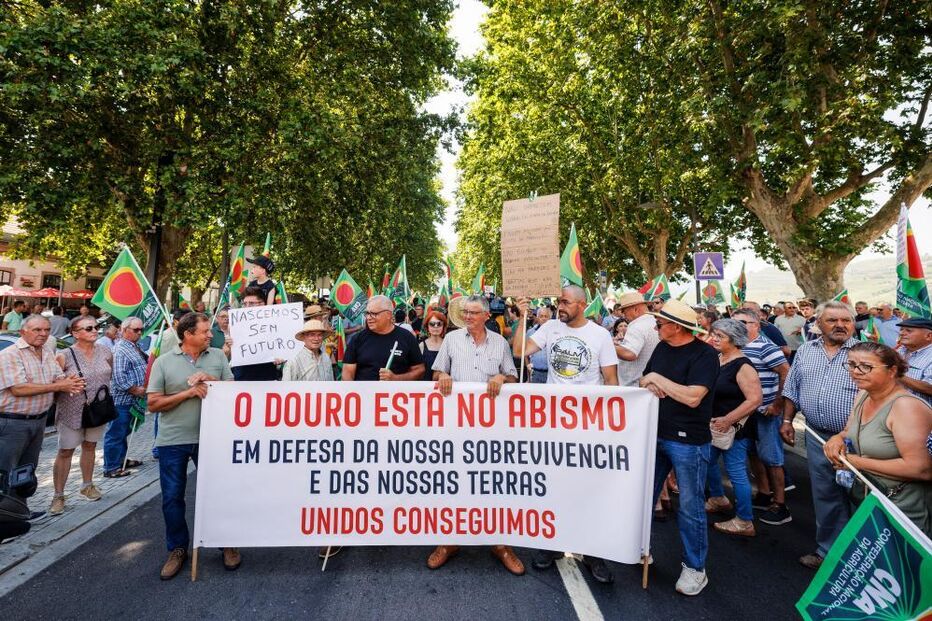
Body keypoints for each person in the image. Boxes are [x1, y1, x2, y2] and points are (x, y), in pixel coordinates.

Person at [513, 285, 619, 584]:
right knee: (555, 483)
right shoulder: (549, 328)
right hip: (554, 422)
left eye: (565, 301)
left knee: (588, 488)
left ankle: (592, 553)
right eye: (559, 301)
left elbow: (611, 379)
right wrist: (522, 318)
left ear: (582, 305)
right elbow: (520, 350)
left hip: (589, 424)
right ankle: (553, 544)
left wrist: (611, 425)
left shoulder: (600, 336)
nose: (560, 305)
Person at [427, 295, 521, 575]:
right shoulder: (452, 340)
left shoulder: (501, 342)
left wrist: (502, 378)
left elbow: (514, 376)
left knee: (492, 482)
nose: (467, 317)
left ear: (486, 317)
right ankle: (449, 541)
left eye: (473, 313)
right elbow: (436, 372)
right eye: (465, 312)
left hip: (492, 428)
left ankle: (500, 544)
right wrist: (442, 376)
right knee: (454, 481)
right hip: (456, 427)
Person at [147, 312, 237, 580]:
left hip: (212, 438)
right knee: (173, 497)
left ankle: (227, 544)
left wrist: (212, 380)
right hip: (173, 441)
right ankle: (177, 548)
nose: (211, 335)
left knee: (219, 493)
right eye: (205, 331)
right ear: (188, 335)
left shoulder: (219, 357)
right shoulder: (164, 362)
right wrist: (188, 393)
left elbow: (234, 393)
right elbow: (152, 404)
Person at [639, 299, 719, 596]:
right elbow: (644, 381)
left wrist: (659, 381)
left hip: (688, 440)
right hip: (655, 433)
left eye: (659, 323)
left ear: (676, 327)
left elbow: (693, 397)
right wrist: (654, 383)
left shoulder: (705, 355)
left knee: (690, 506)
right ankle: (640, 547)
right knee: (643, 497)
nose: (655, 326)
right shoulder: (661, 348)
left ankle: (695, 568)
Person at [823, 342, 932, 536]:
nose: (856, 372)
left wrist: (855, 462)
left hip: (904, 510)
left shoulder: (906, 407)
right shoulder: (864, 394)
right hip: (872, 500)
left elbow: (921, 469)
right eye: (851, 364)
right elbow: (849, 429)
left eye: (866, 366)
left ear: (892, 371)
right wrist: (837, 438)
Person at [781, 301, 860, 569]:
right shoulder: (805, 351)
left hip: (857, 441)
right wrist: (787, 419)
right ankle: (829, 553)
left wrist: (849, 432)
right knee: (825, 495)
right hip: (817, 436)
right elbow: (792, 387)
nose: (840, 325)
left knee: (860, 497)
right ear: (818, 324)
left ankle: (863, 559)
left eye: (846, 321)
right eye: (832, 320)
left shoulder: (866, 353)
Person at [0, 315, 84, 519]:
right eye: (37, 330)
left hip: (37, 421)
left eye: (46, 330)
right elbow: (19, 388)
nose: (43, 334)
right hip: (12, 422)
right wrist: (59, 386)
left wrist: (70, 381)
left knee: (25, 472)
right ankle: (3, 521)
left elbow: (58, 377)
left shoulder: (46, 352)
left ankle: (19, 513)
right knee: (4, 472)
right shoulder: (10, 354)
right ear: (23, 332)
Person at [728, 308, 792, 525]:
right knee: (753, 455)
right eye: (735, 322)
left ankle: (780, 504)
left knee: (772, 458)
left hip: (766, 411)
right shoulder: (736, 347)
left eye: (744, 322)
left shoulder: (766, 347)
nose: (739, 326)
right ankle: (764, 494)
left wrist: (777, 403)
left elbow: (786, 373)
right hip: (746, 412)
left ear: (757, 325)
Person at [48, 315, 114, 515]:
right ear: (75, 333)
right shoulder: (64, 355)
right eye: (88, 328)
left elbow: (109, 374)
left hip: (98, 409)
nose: (95, 330)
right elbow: (53, 384)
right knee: (66, 451)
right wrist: (66, 383)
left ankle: (87, 485)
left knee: (90, 446)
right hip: (72, 411)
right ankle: (58, 496)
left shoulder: (105, 350)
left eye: (95, 327)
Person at [704, 319, 762, 537]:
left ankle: (745, 521)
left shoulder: (743, 365)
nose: (713, 339)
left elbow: (755, 399)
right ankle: (718, 499)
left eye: (720, 336)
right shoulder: (719, 358)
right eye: (714, 334)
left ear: (735, 340)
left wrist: (728, 419)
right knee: (707, 462)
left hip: (734, 429)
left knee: (736, 472)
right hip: (715, 427)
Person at [104, 317, 148, 478]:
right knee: (116, 432)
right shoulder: (121, 349)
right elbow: (118, 377)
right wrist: (135, 389)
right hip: (122, 400)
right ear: (123, 331)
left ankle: (121, 459)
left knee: (123, 431)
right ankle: (111, 467)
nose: (140, 333)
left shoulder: (134, 346)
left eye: (141, 330)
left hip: (133, 399)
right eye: (136, 330)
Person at [342, 296, 424, 382]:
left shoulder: (407, 337)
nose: (369, 318)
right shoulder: (357, 339)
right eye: (367, 313)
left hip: (395, 394)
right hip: (364, 394)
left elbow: (419, 370)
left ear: (388, 315)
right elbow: (347, 374)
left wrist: (395, 378)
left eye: (374, 313)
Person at [231, 287, 281, 381]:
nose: (247, 307)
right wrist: (229, 344)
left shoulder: (274, 325)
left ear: (262, 304)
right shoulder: (236, 325)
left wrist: (281, 356)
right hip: (241, 379)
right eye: (245, 304)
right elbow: (227, 351)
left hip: (267, 378)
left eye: (251, 303)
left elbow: (284, 350)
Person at [613, 291, 659, 387]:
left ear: (635, 310)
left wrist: (609, 345)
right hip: (650, 382)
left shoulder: (636, 326)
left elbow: (630, 354)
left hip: (634, 386)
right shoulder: (654, 322)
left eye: (624, 311)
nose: (623, 315)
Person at [896, 317, 932, 406]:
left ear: (929, 336)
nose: (902, 333)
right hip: (897, 409)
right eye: (901, 329)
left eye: (909, 330)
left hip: (922, 414)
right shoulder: (900, 350)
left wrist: (895, 374)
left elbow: (930, 388)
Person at [526, 306, 552, 384]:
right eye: (541, 316)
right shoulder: (531, 332)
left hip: (550, 374)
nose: (544, 318)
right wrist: (528, 369)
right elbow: (525, 352)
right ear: (537, 318)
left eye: (546, 316)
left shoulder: (555, 333)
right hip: (535, 373)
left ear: (550, 318)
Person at [418, 310, 447, 381]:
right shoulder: (421, 345)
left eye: (439, 324)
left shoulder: (448, 344)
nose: (436, 326)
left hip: (445, 388)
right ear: (427, 326)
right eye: (432, 324)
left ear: (443, 326)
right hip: (426, 389)